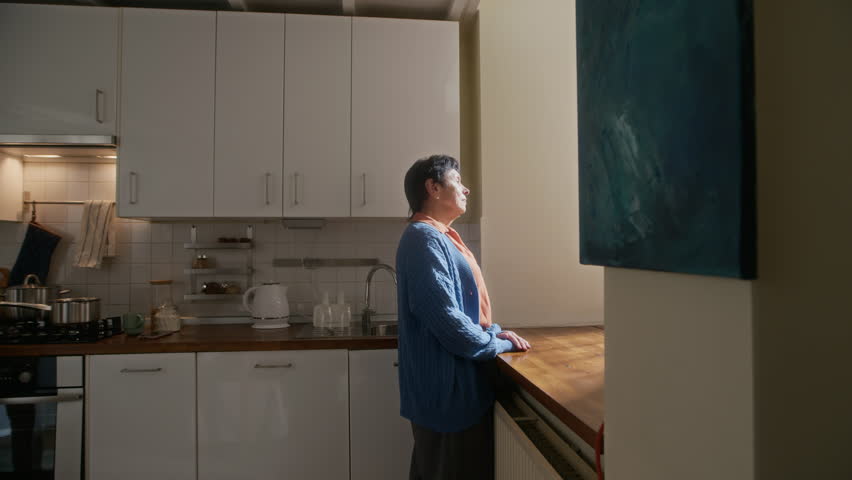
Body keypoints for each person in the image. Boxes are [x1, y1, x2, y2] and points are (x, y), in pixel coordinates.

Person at [396, 154, 531, 480]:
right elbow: (447, 320)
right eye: (457, 181)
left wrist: (493, 333)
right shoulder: (423, 238)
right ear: (433, 188)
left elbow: (463, 313)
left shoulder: (438, 236)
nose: (466, 189)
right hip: (447, 395)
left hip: (452, 393)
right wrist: (498, 344)